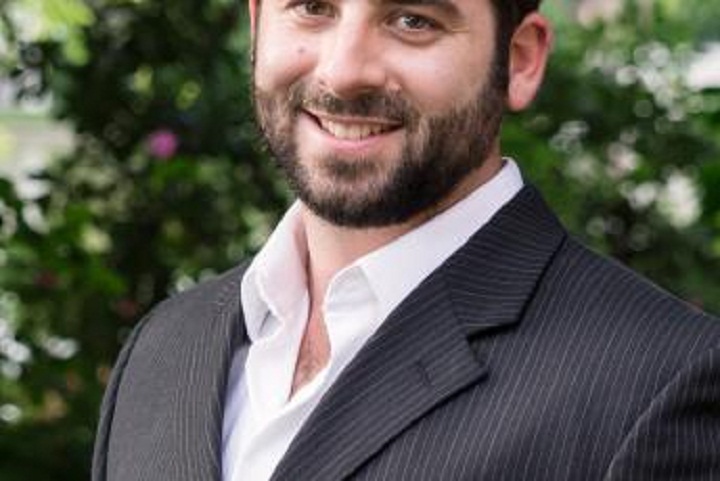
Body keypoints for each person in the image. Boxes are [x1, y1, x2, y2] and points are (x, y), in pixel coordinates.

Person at [92, 0, 720, 479]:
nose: (344, 72)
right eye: (312, 7)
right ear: (258, 24)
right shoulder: (164, 348)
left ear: (519, 60)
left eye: (412, 20)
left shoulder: (663, 380)